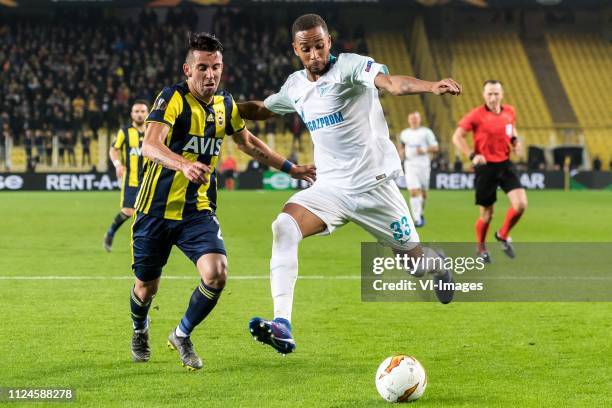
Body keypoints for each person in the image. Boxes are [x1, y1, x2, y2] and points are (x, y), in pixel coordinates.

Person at [238, 14, 461, 355]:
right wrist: (219, 112)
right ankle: (282, 323)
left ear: (329, 42)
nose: (314, 54)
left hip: (376, 189)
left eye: (319, 45)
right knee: (284, 226)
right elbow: (262, 109)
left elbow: (392, 84)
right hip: (331, 190)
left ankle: (438, 264)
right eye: (306, 48)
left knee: (415, 265)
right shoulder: (295, 86)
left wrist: (430, 86)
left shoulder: (353, 67)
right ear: (295, 50)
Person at [128, 32, 315, 370]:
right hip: (154, 211)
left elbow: (248, 143)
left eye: (216, 67)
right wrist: (184, 163)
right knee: (145, 288)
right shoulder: (171, 99)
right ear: (188, 69)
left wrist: (291, 167)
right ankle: (140, 327)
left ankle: (182, 334)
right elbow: (150, 146)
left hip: (197, 211)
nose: (210, 75)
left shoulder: (225, 105)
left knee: (217, 273)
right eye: (202, 68)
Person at [452, 80, 527, 263]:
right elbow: (457, 136)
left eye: (496, 94)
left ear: (502, 94)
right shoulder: (476, 115)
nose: (493, 97)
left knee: (520, 205)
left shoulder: (509, 111)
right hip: (485, 168)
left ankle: (502, 234)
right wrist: (472, 155)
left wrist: (515, 142)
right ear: (483, 95)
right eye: (489, 94)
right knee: (487, 214)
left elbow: (511, 128)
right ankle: (481, 248)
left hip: (505, 164)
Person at [103, 100, 149, 252]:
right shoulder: (124, 131)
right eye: (136, 111)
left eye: (142, 111)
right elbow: (113, 149)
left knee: (151, 213)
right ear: (131, 114)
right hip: (131, 179)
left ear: (147, 113)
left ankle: (147, 245)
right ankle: (110, 233)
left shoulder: (153, 131)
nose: (140, 114)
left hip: (150, 180)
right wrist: (117, 164)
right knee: (128, 211)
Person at [398, 111, 439, 227]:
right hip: (410, 165)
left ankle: (420, 213)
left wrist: (424, 149)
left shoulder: (426, 132)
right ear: (409, 120)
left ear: (419, 120)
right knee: (414, 191)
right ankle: (416, 219)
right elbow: (402, 147)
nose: (414, 121)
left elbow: (435, 147)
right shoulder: (404, 133)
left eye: (416, 119)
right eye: (412, 119)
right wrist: (399, 155)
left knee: (424, 194)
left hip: (424, 165)